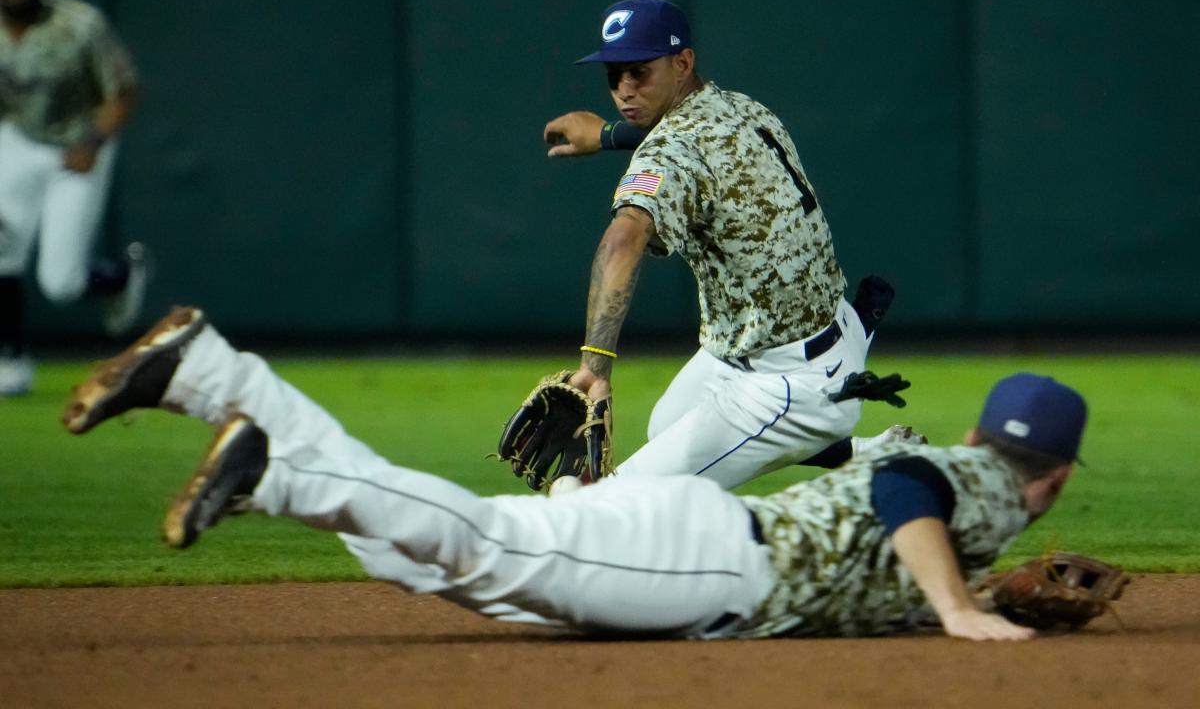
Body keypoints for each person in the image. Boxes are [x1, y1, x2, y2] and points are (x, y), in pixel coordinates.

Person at [64, 306, 1086, 642]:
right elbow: (904, 499)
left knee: (427, 557)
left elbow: (878, 492)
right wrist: (960, 609)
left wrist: (984, 593)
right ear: (1058, 474)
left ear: (977, 423)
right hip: (715, 562)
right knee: (475, 540)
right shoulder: (979, 480)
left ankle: (206, 368)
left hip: (695, 541)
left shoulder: (940, 454)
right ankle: (269, 476)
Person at [541, 0, 886, 487]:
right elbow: (694, 144)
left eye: (639, 72)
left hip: (789, 382)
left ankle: (831, 440)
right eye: (614, 75)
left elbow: (623, 241)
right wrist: (611, 135)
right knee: (666, 427)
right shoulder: (739, 107)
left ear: (682, 63)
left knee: (604, 508)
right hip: (811, 337)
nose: (623, 90)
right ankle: (865, 455)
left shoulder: (672, 150)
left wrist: (594, 366)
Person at [0, 0, 147, 397]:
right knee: (1, 248)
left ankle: (121, 276)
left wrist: (93, 140)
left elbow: (123, 89)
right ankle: (11, 359)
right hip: (19, 140)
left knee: (60, 283)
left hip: (75, 145)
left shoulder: (79, 23)